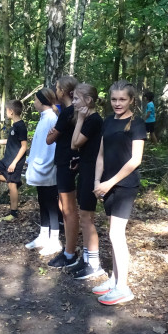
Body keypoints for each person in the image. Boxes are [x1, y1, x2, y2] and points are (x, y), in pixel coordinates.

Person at [93, 81, 147, 306]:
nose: (117, 103)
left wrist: (110, 182)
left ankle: (123, 288)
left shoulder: (137, 124)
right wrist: (98, 181)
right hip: (106, 184)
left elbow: (136, 160)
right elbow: (101, 155)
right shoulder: (107, 122)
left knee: (117, 235)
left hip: (125, 186)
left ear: (131, 100)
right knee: (111, 234)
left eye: (122, 99)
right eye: (114, 99)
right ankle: (115, 280)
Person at [68, 83, 106, 280]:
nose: (73, 102)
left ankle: (94, 263)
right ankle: (86, 258)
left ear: (88, 101)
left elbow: (74, 144)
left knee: (87, 218)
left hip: (92, 173)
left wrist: (81, 119)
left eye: (76, 99)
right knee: (84, 217)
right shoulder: (90, 119)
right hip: (85, 168)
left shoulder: (92, 120)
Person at [46, 75, 81, 270]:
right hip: (65, 161)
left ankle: (70, 253)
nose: (56, 91)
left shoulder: (68, 113)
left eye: (57, 88)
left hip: (67, 162)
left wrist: (53, 132)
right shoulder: (69, 112)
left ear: (64, 92)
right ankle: (68, 249)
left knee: (68, 209)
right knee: (64, 206)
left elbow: (50, 139)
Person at [24, 88, 62, 255]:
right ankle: (43, 236)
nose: (34, 103)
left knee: (51, 204)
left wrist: (44, 164)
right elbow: (39, 144)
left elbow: (52, 147)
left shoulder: (51, 119)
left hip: (47, 169)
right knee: (42, 201)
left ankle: (54, 240)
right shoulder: (44, 118)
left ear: (41, 101)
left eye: (35, 100)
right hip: (39, 167)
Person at [0, 100, 28, 222]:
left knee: (11, 185)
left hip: (15, 161)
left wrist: (14, 163)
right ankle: (15, 180)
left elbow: (24, 146)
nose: (6, 113)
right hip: (6, 159)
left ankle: (13, 213)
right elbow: (10, 141)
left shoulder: (21, 127)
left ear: (11, 111)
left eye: (6, 110)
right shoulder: (14, 126)